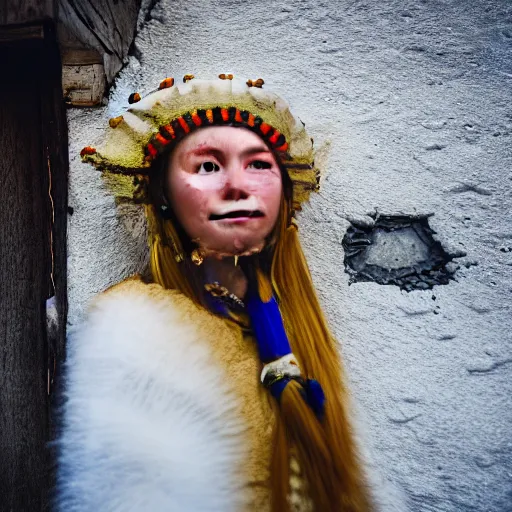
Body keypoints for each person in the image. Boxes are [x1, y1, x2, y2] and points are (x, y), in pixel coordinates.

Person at [56, 76, 371, 511]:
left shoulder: (294, 324)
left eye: (259, 164)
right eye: (207, 166)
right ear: (164, 196)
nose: (237, 185)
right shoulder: (138, 329)